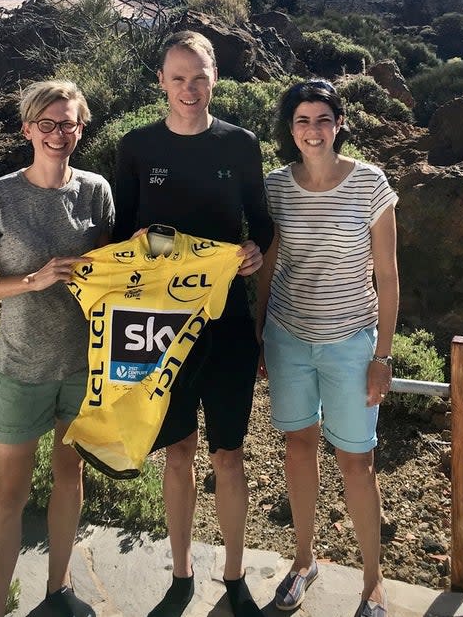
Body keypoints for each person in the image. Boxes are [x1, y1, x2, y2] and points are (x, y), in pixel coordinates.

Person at [114, 30, 274, 617]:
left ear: (215, 79)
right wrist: (134, 246)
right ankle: (180, 573)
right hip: (159, 325)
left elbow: (260, 223)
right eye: (178, 77)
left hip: (228, 323)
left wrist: (253, 254)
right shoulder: (135, 147)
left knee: (229, 455)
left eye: (199, 76)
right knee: (178, 453)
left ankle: (234, 576)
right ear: (160, 81)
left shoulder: (242, 145)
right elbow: (119, 234)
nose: (189, 88)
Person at [0, 80, 115, 617]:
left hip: (82, 365)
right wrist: (30, 281)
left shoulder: (96, 191)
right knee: (10, 497)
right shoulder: (0, 195)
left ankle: (57, 591)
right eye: (46, 123)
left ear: (81, 127)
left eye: (68, 122)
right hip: (23, 366)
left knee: (71, 479)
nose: (57, 133)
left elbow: (115, 275)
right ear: (27, 129)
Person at [255, 79, 399, 617]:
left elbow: (387, 274)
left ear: (339, 124)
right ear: (289, 129)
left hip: (351, 343)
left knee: (357, 462)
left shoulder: (370, 184)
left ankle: (372, 582)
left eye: (322, 119)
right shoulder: (274, 185)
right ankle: (303, 560)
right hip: (288, 336)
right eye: (301, 120)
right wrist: (259, 329)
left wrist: (382, 357)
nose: (312, 130)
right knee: (297, 450)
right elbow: (269, 263)